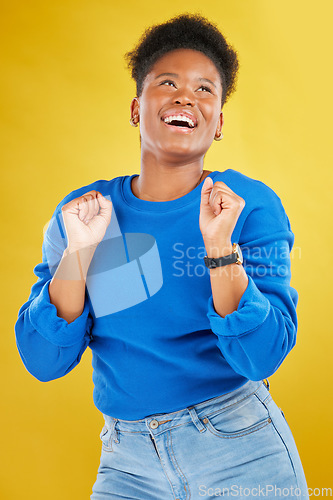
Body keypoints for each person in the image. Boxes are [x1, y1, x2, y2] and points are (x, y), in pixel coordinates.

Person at [15, 13, 309, 500]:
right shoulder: (83, 215)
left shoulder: (248, 206)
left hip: (241, 448)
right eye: (167, 82)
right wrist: (78, 254)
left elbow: (262, 355)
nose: (185, 97)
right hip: (126, 463)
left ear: (217, 123)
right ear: (136, 109)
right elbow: (44, 359)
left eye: (205, 90)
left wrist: (219, 249)